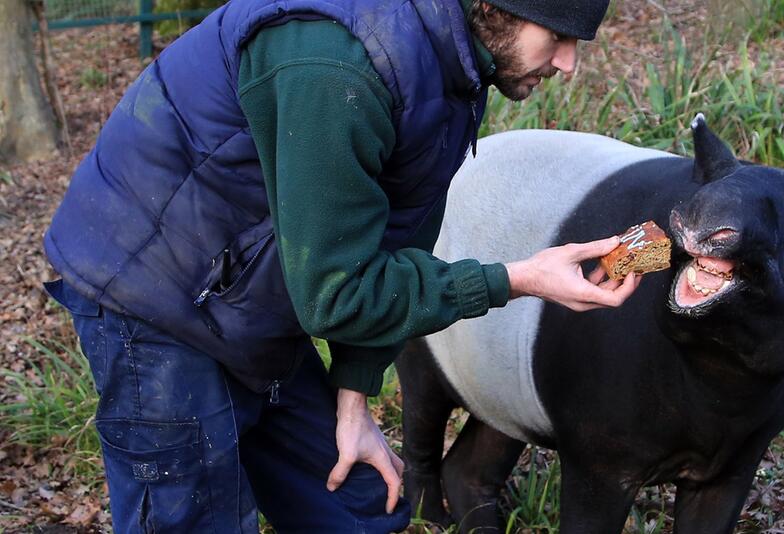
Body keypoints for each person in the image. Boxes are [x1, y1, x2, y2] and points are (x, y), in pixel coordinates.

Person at [42, 0, 640, 531]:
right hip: (152, 289)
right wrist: (520, 278)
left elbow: (399, 234)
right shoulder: (338, 63)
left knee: (358, 508)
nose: (569, 63)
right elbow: (338, 293)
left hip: (245, 291)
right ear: (493, 6)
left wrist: (353, 400)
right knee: (194, 516)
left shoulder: (455, 69)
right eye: (559, 35)